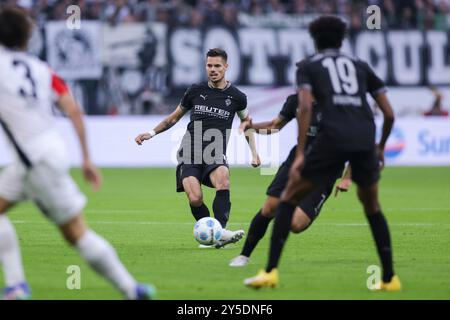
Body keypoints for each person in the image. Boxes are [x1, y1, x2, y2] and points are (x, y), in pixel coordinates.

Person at [0, 6, 155, 300]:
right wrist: (86, 158)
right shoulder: (42, 69)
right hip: (46, 153)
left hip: (34, 161)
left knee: (76, 233)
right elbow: (73, 110)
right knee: (75, 233)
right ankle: (131, 290)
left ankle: (18, 286)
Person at [244, 15, 401, 292]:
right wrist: (379, 147)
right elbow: (389, 113)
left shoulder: (309, 67)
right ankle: (389, 278)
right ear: (342, 40)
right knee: (372, 207)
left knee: (288, 197)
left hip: (332, 138)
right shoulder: (361, 66)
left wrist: (302, 152)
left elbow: (304, 108)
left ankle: (269, 272)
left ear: (314, 41)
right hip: (363, 137)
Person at [135, 48, 260, 248]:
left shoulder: (238, 97)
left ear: (226, 67)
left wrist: (254, 153)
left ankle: (219, 233)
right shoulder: (195, 91)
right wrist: (150, 133)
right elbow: (173, 117)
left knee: (223, 179)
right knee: (195, 198)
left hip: (215, 151)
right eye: (209, 65)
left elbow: (247, 125)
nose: (213, 69)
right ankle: (214, 236)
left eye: (217, 66)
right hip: (190, 151)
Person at [229, 93, 352, 267]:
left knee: (296, 224)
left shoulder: (339, 105)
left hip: (326, 171)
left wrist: (347, 178)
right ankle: (244, 256)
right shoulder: (296, 100)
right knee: (269, 207)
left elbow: (357, 142)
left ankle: (289, 207)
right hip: (296, 163)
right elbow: (275, 125)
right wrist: (252, 126)